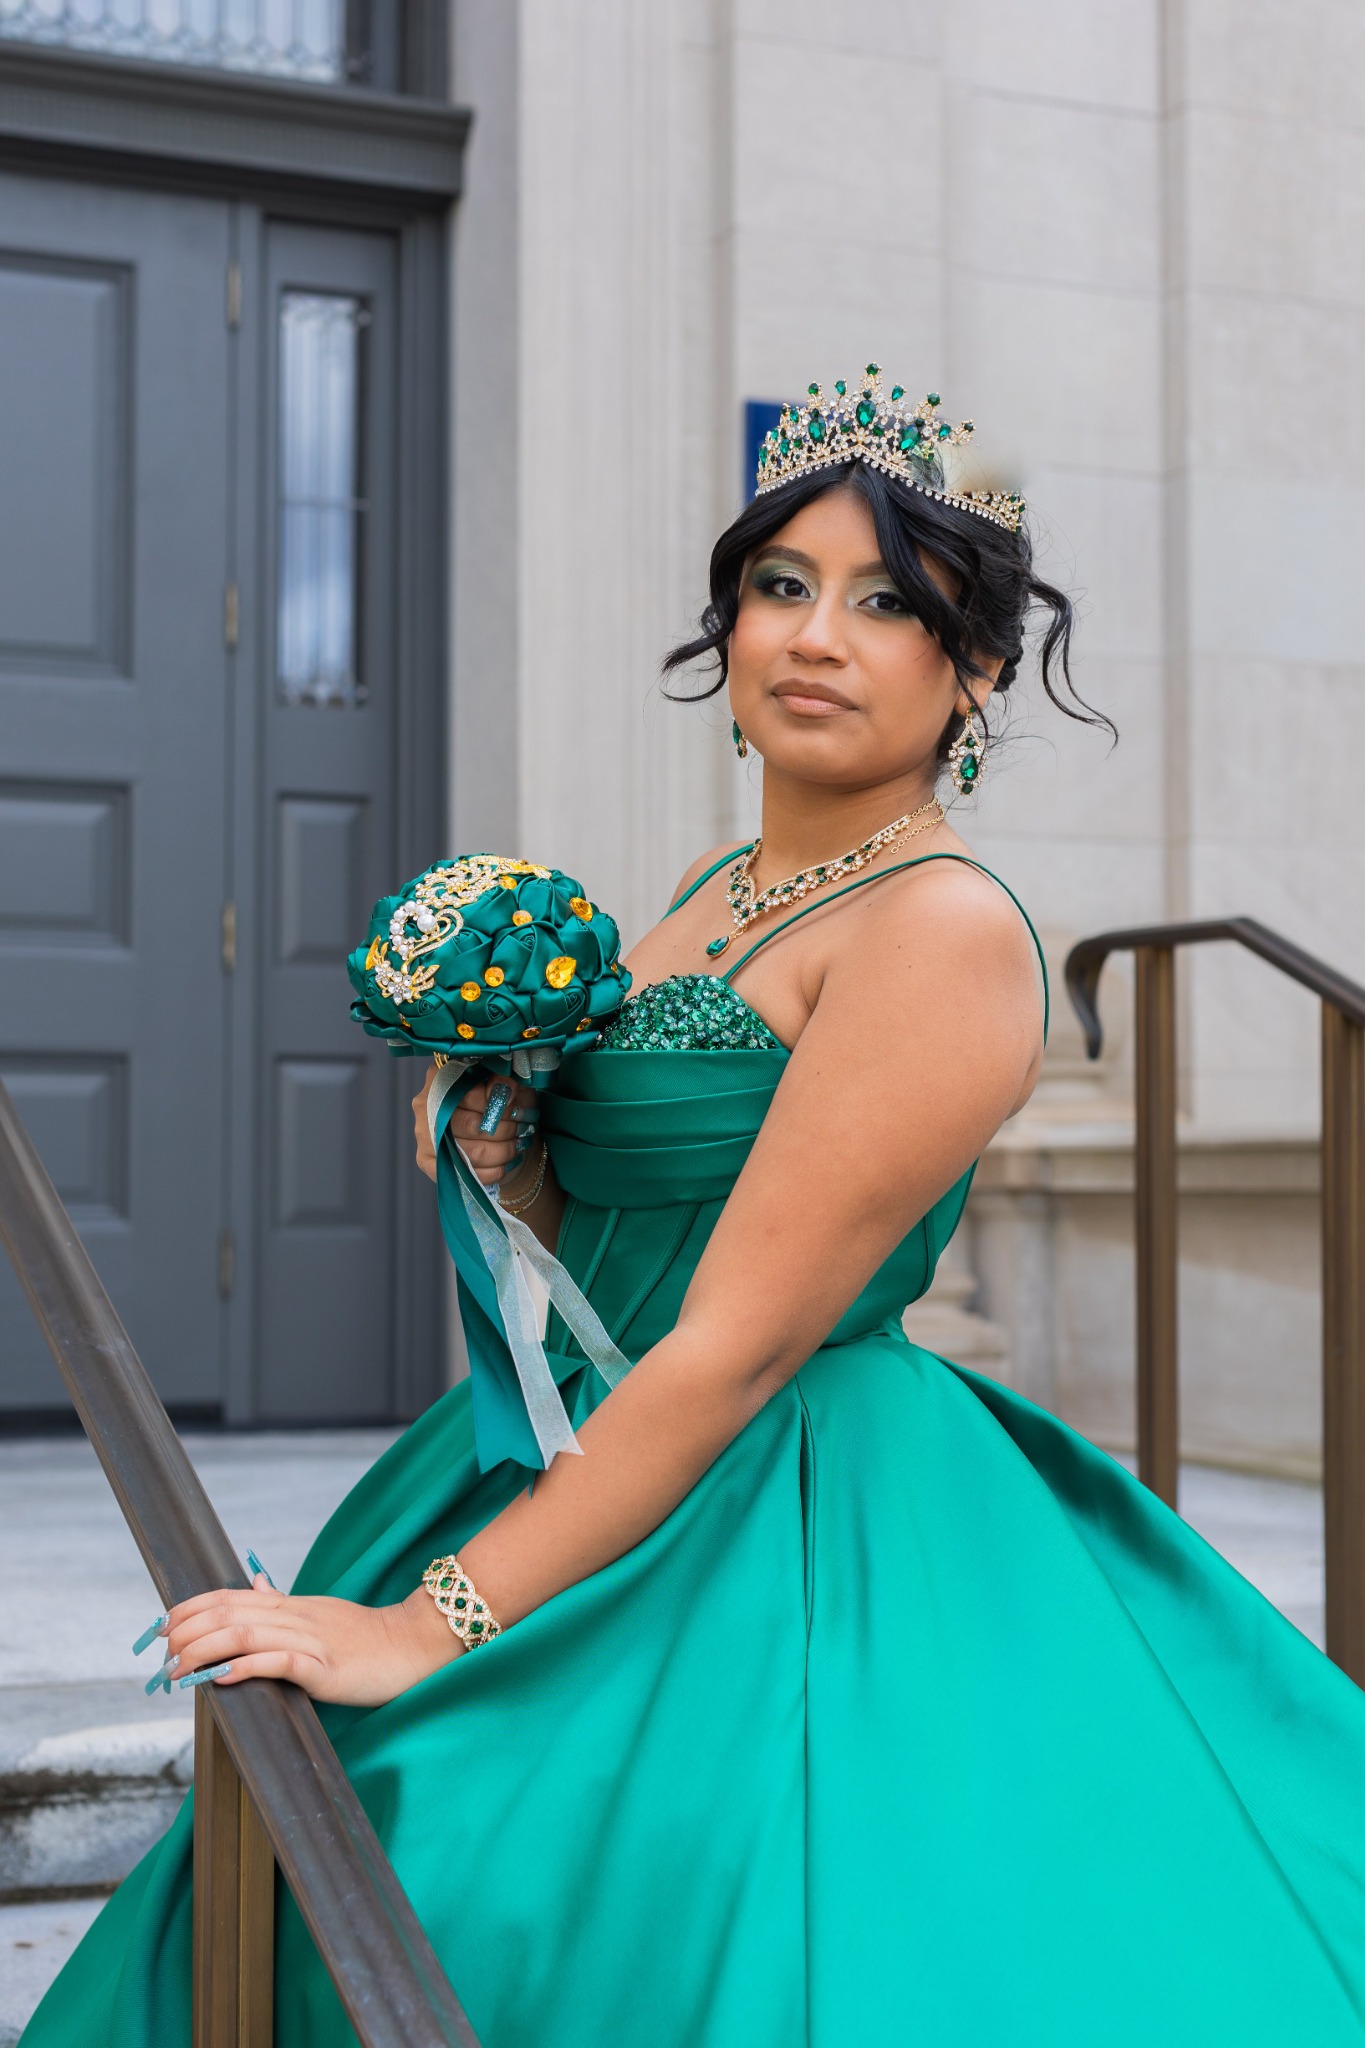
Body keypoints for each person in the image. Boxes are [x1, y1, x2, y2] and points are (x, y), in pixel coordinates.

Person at [25, 373, 1365, 2046]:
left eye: (888, 604)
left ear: (975, 676)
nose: (816, 635)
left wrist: (421, 1622)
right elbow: (590, 1235)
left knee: (496, 1860)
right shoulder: (712, 893)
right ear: (725, 632)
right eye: (779, 587)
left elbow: (727, 1344)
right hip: (582, 1446)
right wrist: (500, 1132)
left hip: (770, 1496)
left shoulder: (938, 930)